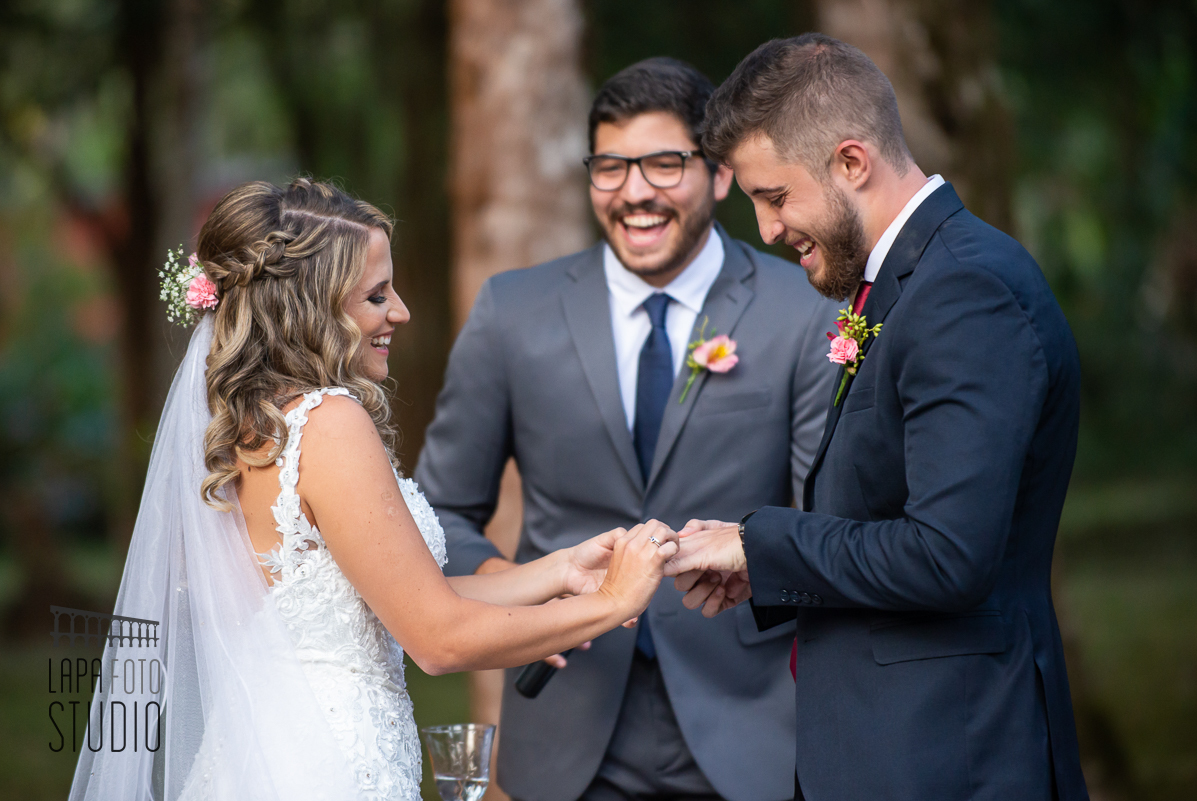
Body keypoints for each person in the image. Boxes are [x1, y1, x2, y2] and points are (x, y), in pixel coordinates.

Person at [69, 178, 679, 801]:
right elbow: (438, 639)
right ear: (314, 305)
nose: (402, 312)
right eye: (377, 295)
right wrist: (611, 601)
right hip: (328, 764)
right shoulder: (328, 423)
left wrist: (558, 572)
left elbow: (393, 595)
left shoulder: (256, 424)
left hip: (263, 753)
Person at [666, 34, 1090, 801]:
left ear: (851, 162)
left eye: (774, 197)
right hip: (886, 752)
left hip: (951, 759)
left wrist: (761, 541)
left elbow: (945, 554)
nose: (765, 230)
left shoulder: (965, 292)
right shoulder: (909, 281)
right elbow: (883, 511)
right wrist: (764, 566)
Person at [414, 58, 836, 801]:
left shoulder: (801, 312)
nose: (634, 191)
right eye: (610, 167)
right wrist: (527, 592)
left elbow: (826, 522)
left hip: (754, 723)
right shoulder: (512, 310)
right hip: (564, 722)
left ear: (719, 175)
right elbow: (443, 513)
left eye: (664, 163)